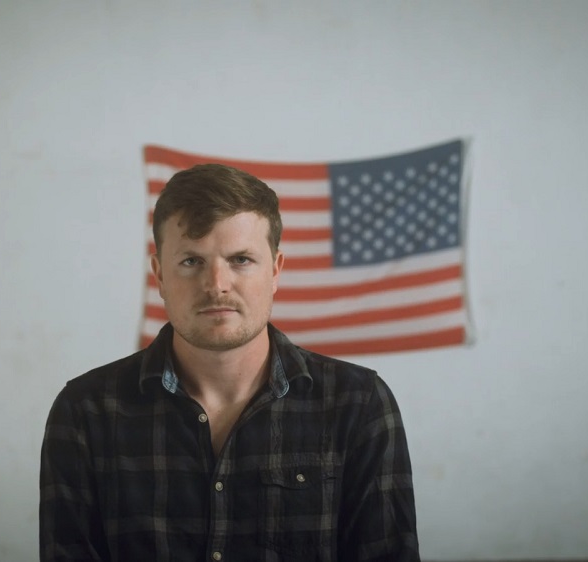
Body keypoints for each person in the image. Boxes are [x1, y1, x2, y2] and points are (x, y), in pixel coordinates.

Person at [40, 163, 419, 561]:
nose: (216, 284)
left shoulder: (359, 405)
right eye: (191, 261)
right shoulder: (84, 412)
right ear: (159, 276)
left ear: (275, 270)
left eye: (240, 259)